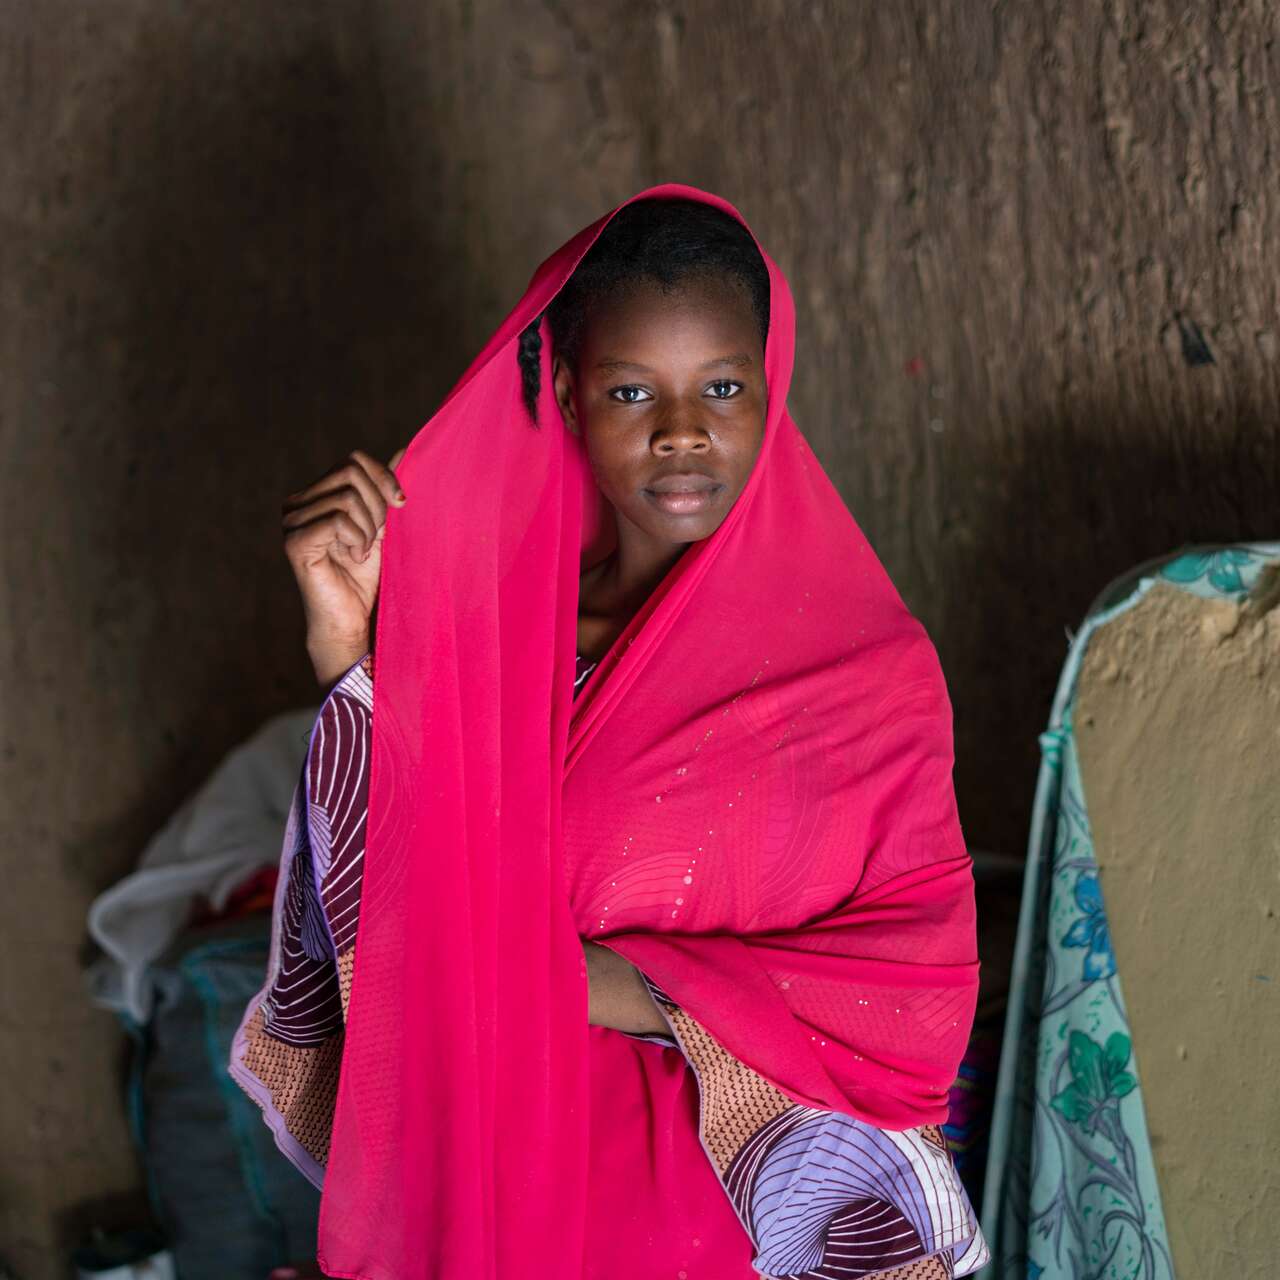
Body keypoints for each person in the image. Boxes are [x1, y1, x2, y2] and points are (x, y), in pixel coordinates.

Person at [230, 186, 988, 1280]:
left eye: (721, 386)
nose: (681, 430)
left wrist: (580, 976)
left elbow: (915, 985)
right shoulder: (492, 642)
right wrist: (347, 647)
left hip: (737, 1218)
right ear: (571, 400)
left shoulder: (864, 672)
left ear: (768, 392)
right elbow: (398, 906)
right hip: (497, 1182)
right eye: (632, 390)